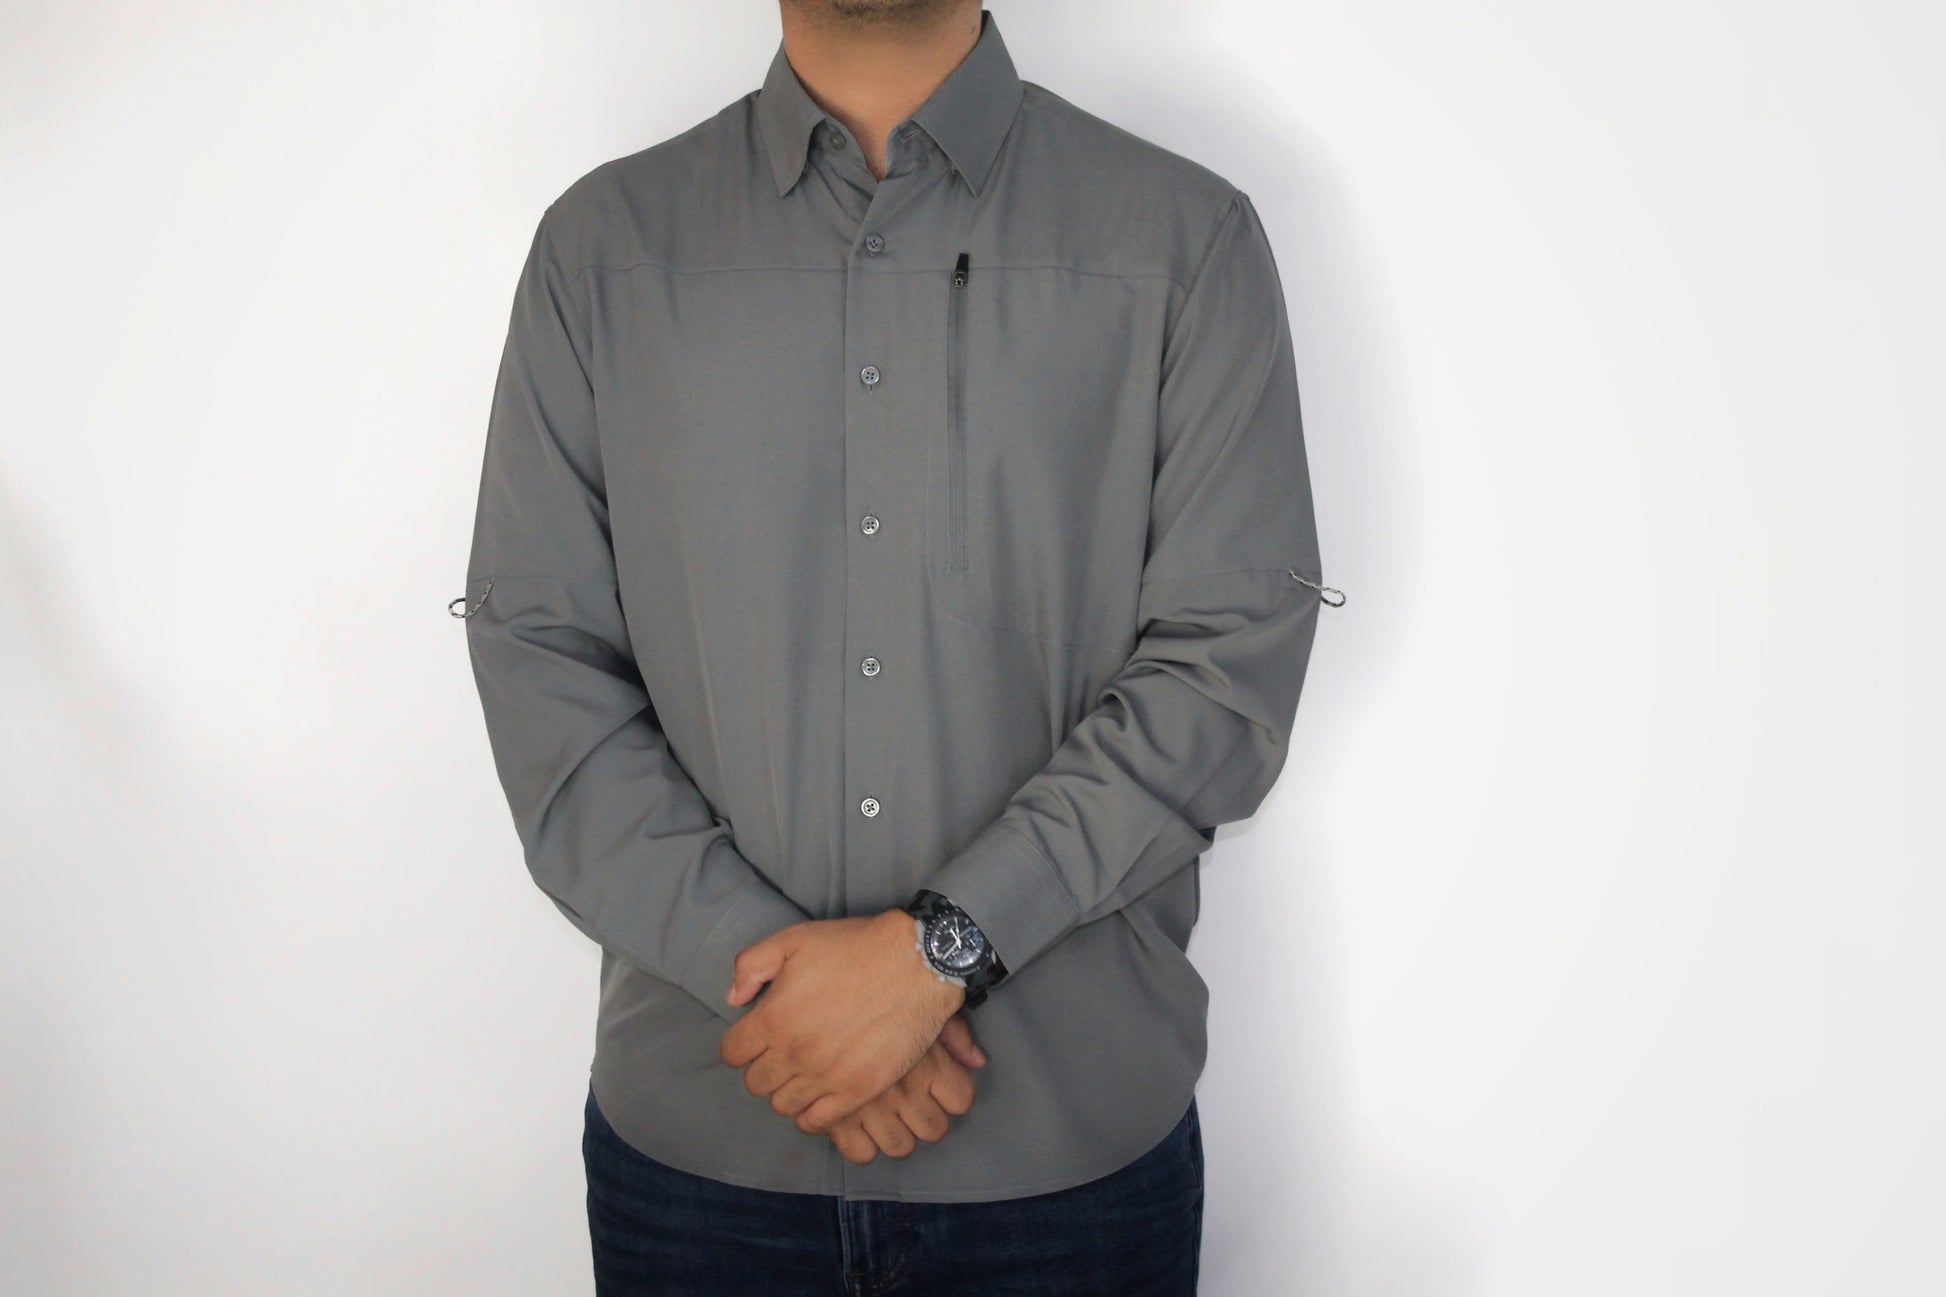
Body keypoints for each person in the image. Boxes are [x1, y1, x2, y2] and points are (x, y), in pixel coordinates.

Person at [455, 2, 1335, 1292]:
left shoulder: (1184, 241)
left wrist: (939, 954)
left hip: (1067, 1171)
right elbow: (540, 655)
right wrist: (783, 996)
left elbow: (1227, 660)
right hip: (703, 1168)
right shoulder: (602, 250)